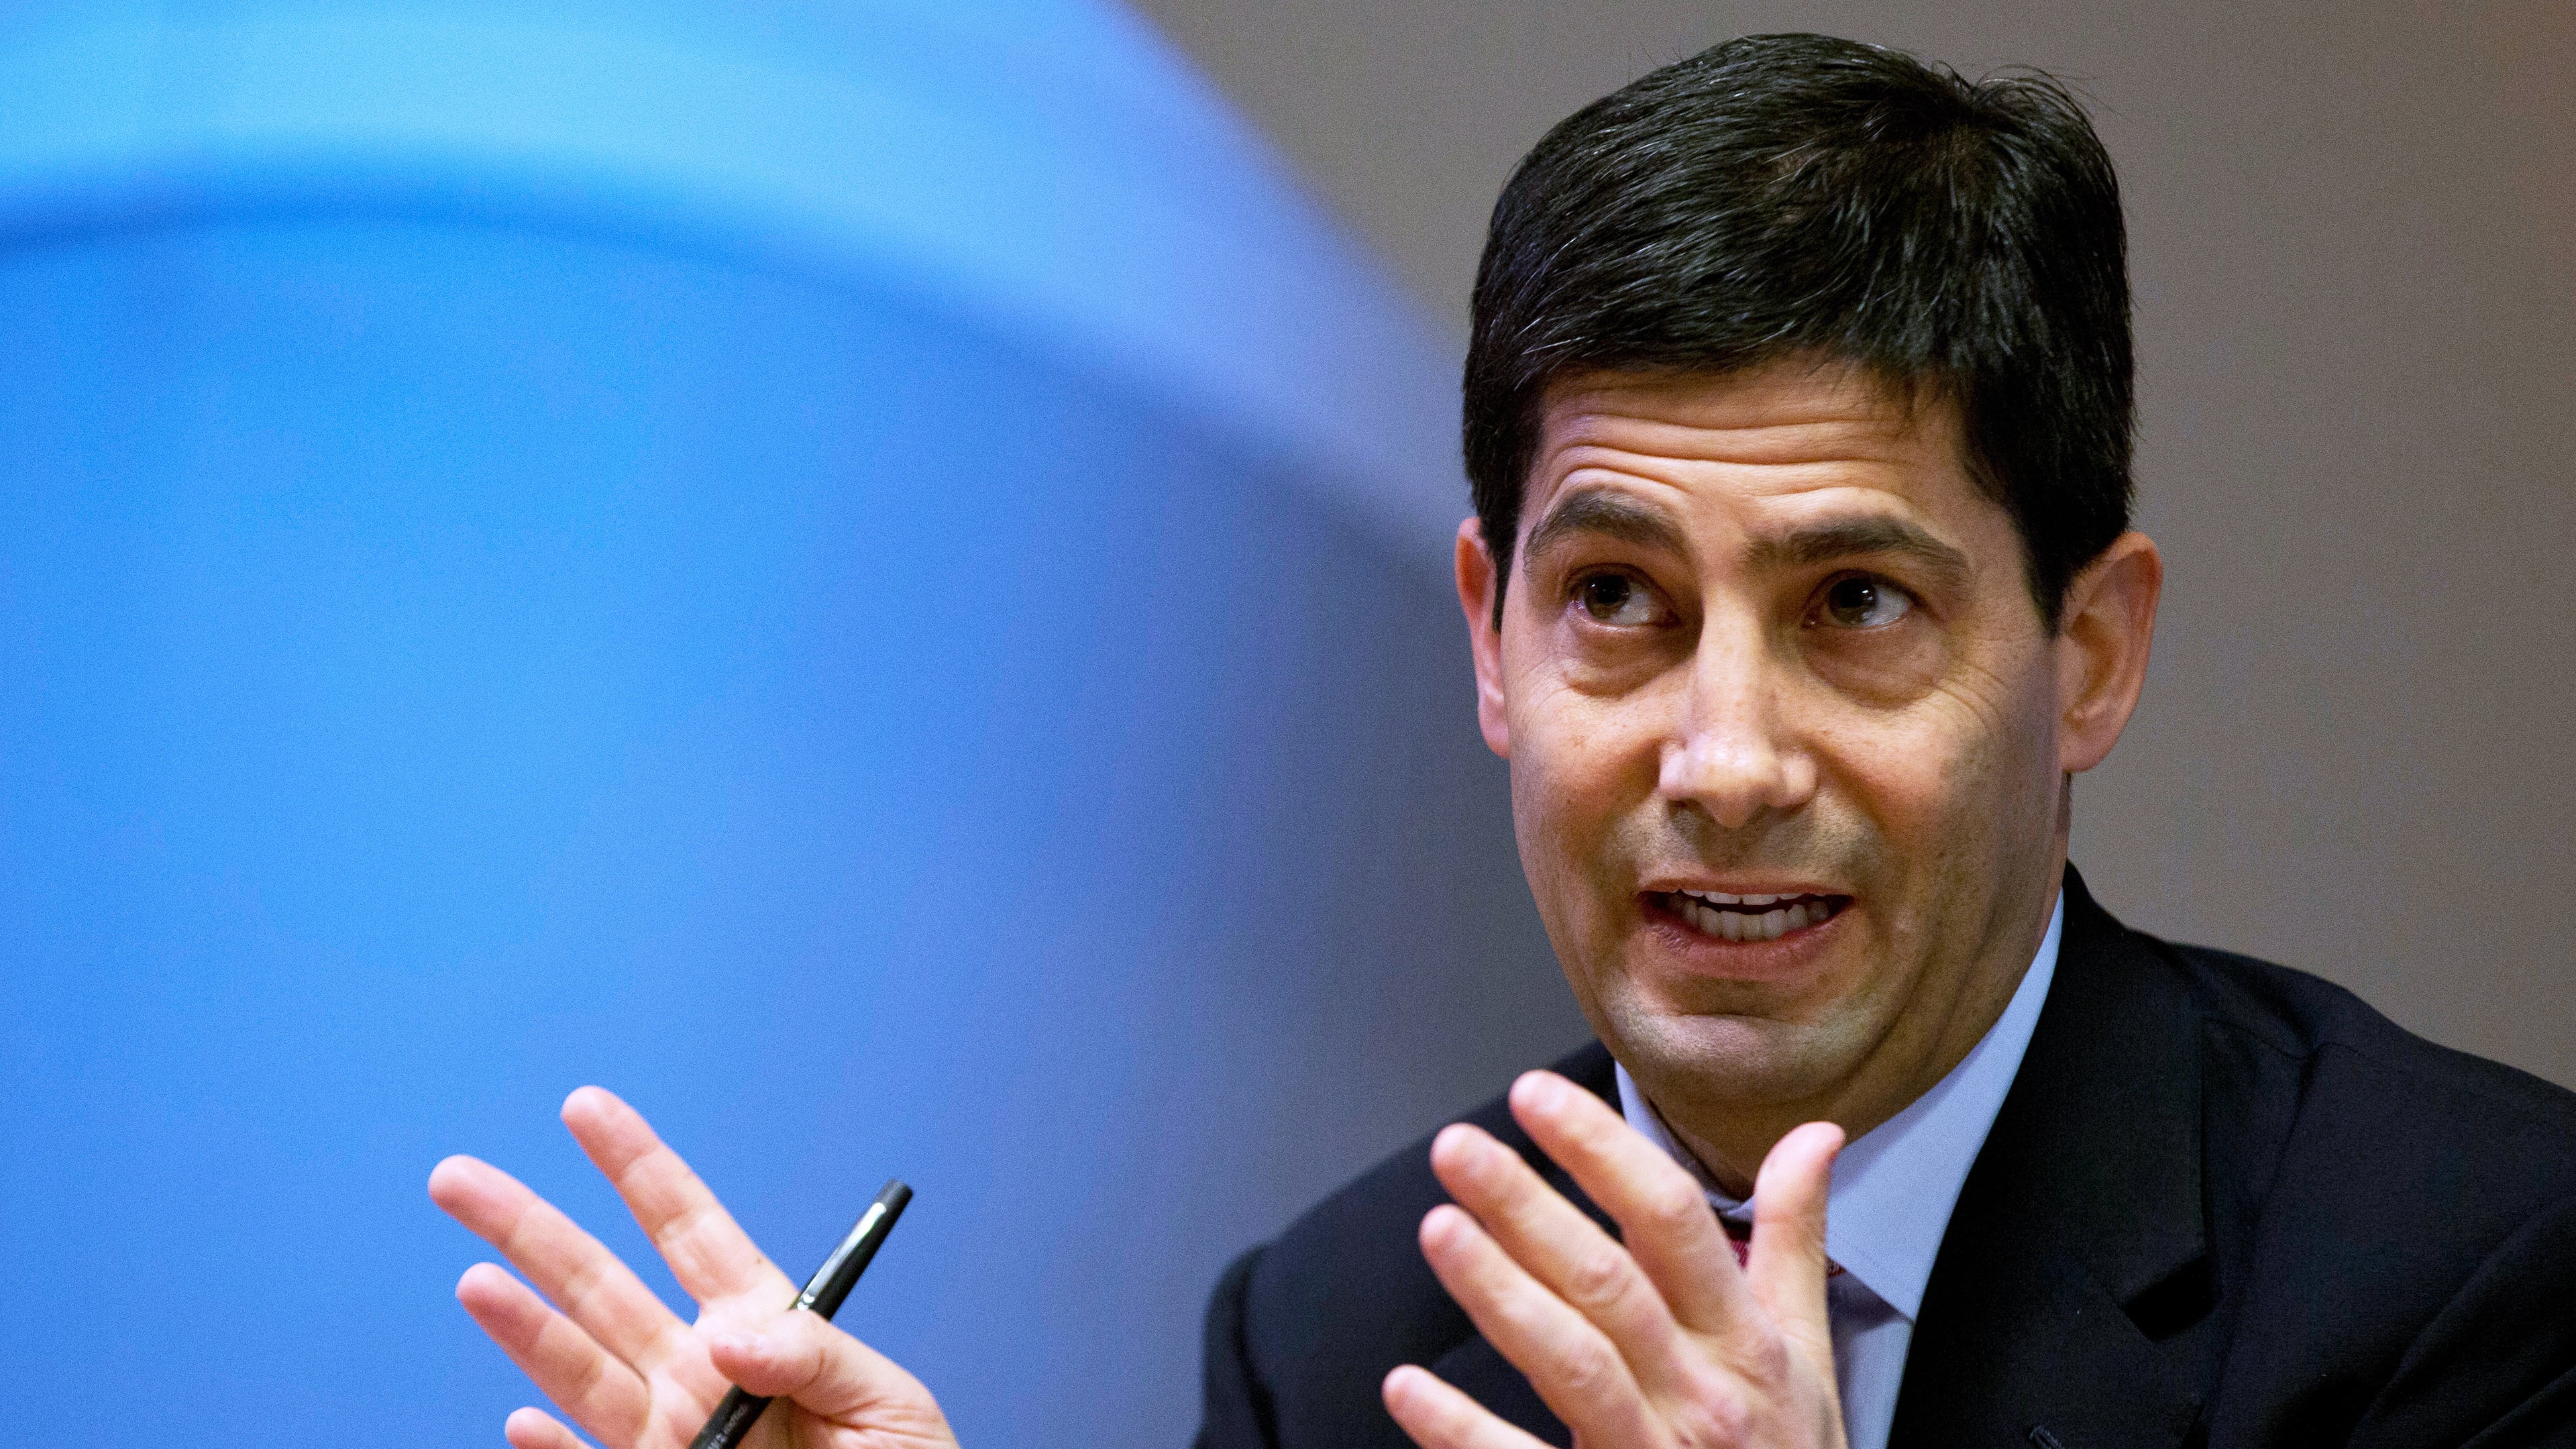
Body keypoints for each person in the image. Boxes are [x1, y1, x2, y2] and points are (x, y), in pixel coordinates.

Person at [427, 34, 2576, 1449]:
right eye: (1619, 604)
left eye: (1854, 608)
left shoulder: (2475, 1277)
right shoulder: (1336, 1334)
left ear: (2089, 654)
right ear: (1491, 636)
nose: (1724, 757)